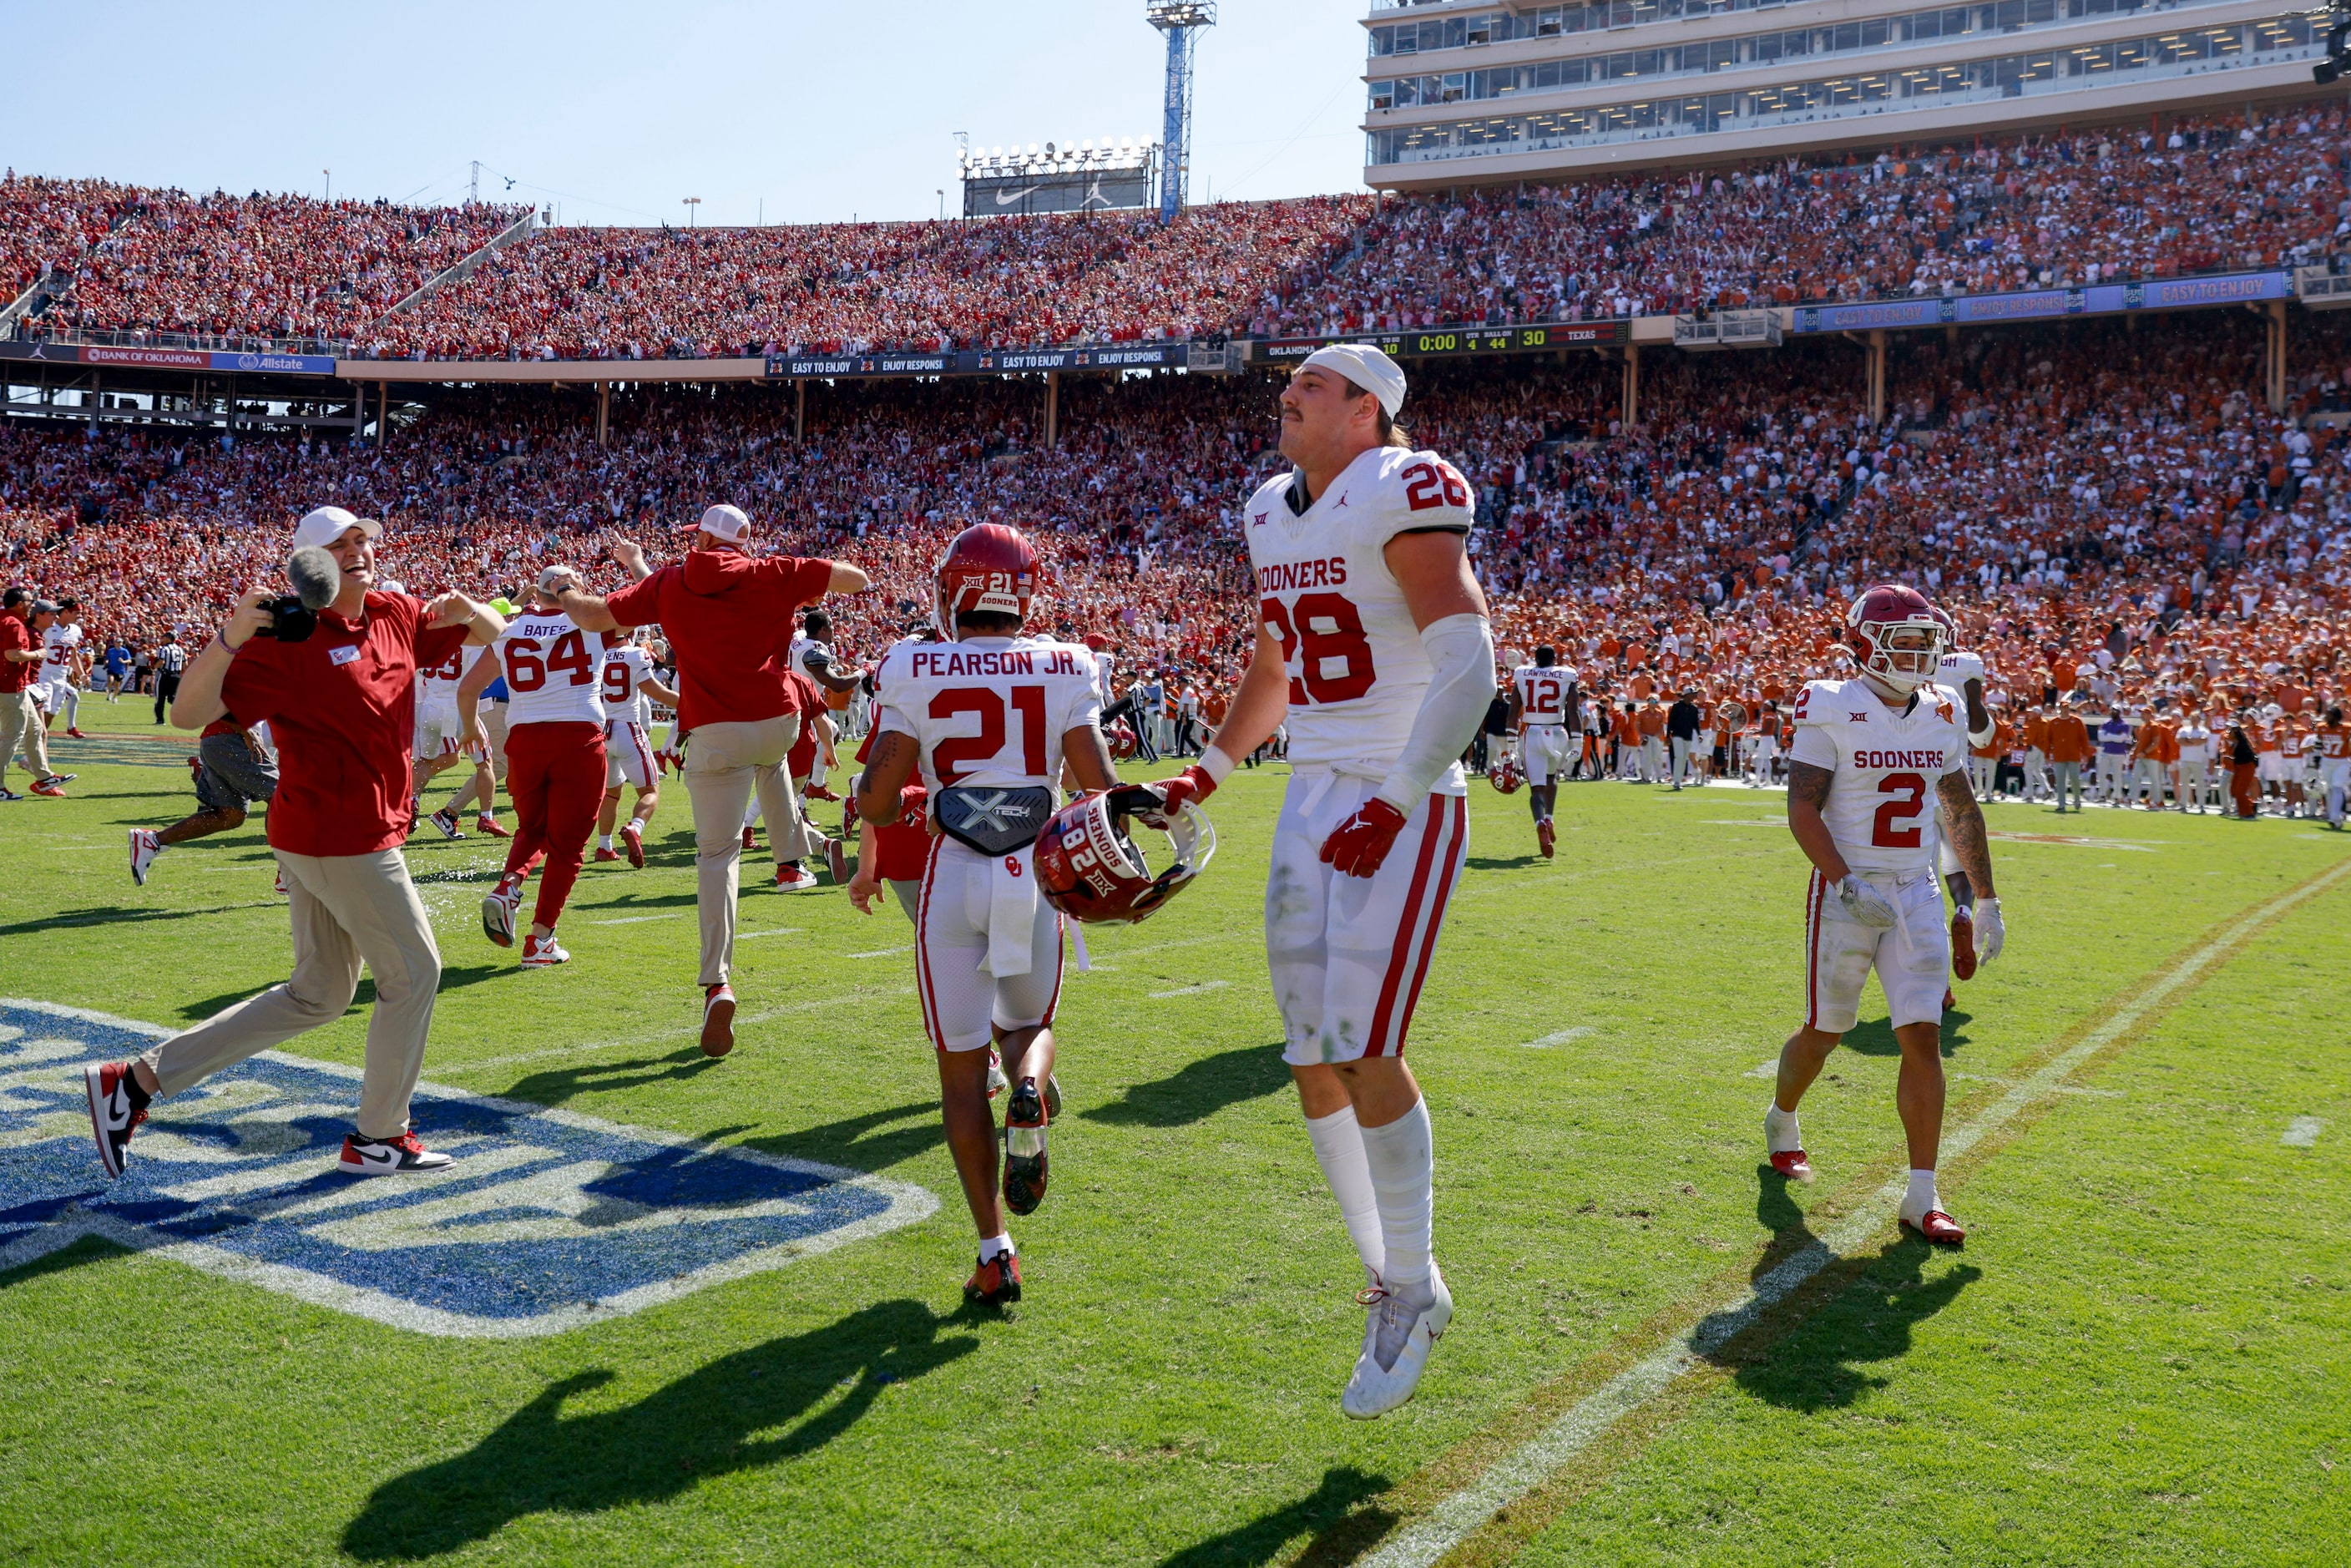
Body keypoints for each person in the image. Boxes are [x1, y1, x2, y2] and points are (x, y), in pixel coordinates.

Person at [1146, 343, 1494, 1419]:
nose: (1286, 394)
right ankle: (1400, 1283)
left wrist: (1393, 797)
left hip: (1403, 788)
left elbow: (1469, 662)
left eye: (1310, 383)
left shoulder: (1407, 484)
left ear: (1364, 411)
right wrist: (1206, 769)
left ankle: (1406, 1277)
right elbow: (1274, 666)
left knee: (1362, 1043)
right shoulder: (1267, 508)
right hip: (1309, 790)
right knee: (1307, 1055)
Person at [81, 505, 505, 1182]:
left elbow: (500, 634)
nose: (358, 549)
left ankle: (133, 1082)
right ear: (311, 565)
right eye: (340, 544)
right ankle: (379, 1137)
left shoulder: (394, 613)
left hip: (334, 833)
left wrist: (468, 606)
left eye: (364, 538)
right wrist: (227, 636)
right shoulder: (289, 636)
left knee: (318, 994)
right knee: (415, 974)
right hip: (343, 837)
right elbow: (190, 716)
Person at [854, 524, 1115, 1308]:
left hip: (954, 873)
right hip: (1032, 869)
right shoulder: (1066, 662)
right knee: (1029, 1025)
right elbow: (1098, 784)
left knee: (963, 1071)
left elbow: (872, 797)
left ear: (956, 590)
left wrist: (916, 798)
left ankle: (994, 1251)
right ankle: (1032, 1089)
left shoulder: (910, 662)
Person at [552, 504, 868, 1057]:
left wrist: (561, 591)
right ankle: (796, 853)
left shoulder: (671, 583)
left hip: (714, 729)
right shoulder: (771, 572)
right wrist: (797, 575)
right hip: (776, 722)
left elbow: (592, 614)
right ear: (743, 543)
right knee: (770, 763)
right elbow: (857, 579)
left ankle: (717, 981)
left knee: (717, 858)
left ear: (699, 537)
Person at [1764, 584, 2004, 1248]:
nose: (1920, 656)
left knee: (1922, 1034)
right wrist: (1841, 881)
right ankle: (1783, 1119)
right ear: (1865, 646)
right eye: (1904, 643)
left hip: (1917, 891)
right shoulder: (1831, 702)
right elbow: (1802, 808)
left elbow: (1958, 807)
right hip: (1847, 889)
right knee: (1827, 1028)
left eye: (1928, 643)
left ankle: (1922, 1195)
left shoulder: (1943, 708)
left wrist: (1985, 897)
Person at [463, 567, 609, 968]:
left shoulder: (509, 631)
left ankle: (509, 886)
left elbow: (467, 688)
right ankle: (540, 939)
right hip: (577, 736)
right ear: (571, 590)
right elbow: (645, 605)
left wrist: (468, 729)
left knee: (533, 829)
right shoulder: (593, 620)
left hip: (524, 740)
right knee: (568, 846)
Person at [129, 710, 278, 885]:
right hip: (234, 739)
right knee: (284, 798)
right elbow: (219, 698)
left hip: (220, 741)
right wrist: (246, 731)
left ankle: (153, 841)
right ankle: (287, 869)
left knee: (230, 816)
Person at [594, 630, 676, 866]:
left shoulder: (595, 654)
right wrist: (693, 703)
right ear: (629, 633)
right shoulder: (635, 655)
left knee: (611, 793)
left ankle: (604, 846)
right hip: (627, 729)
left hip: (601, 732)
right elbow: (657, 692)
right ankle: (635, 828)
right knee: (650, 791)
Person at [0, 589, 71, 800]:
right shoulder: (13, 622)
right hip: (9, 685)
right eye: (30, 601)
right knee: (14, 735)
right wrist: (37, 654)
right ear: (20, 603)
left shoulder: (7, 619)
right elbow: (12, 655)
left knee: (36, 729)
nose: (32, 605)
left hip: (14, 685)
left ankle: (44, 777)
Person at [1508, 645, 1572, 856]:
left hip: (1533, 732)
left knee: (1536, 789)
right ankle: (1549, 818)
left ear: (1535, 659)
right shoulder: (1566, 675)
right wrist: (1579, 743)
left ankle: (1539, 823)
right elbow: (1573, 711)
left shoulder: (1523, 674)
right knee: (1552, 778)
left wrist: (1510, 747)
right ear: (1555, 658)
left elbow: (1513, 711)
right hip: (1556, 732)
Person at [38, 595, 88, 737]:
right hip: (44, 674)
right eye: (76, 613)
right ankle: (32, 743)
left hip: (61, 677)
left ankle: (38, 744)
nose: (79, 616)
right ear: (66, 611)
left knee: (52, 713)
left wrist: (81, 673)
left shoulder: (75, 630)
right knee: (44, 710)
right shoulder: (48, 628)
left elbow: (73, 655)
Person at [2043, 699, 2091, 812]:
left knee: (2075, 779)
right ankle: (2061, 804)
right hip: (2059, 755)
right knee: (2060, 780)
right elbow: (2047, 740)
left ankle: (2077, 799)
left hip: (2073, 755)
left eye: (2067, 708)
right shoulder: (2053, 722)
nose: (2065, 710)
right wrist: (2046, 755)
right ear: (2060, 709)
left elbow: (2084, 739)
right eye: (2063, 708)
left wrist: (2085, 754)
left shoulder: (2077, 721)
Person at [2316, 706, 2348, 830]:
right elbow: (2318, 744)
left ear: (2336, 716)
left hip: (2342, 762)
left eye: (2329, 715)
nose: (2326, 717)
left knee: (2337, 788)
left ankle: (2335, 815)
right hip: (2326, 761)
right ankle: (2335, 817)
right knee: (2329, 789)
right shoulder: (2321, 728)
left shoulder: (2347, 729)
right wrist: (2316, 759)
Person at [1666, 688, 1702, 790]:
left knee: (1684, 759)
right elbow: (1671, 721)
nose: (1694, 697)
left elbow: (1696, 723)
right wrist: (1668, 736)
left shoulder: (1694, 708)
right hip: (1677, 735)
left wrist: (1699, 734)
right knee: (1679, 757)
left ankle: (1679, 779)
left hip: (1688, 736)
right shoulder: (1677, 706)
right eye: (1692, 694)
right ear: (1687, 695)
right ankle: (1677, 781)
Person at [151, 632, 188, 725]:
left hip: (165, 675)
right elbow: (185, 664)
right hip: (176, 676)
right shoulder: (180, 649)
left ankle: (160, 720)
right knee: (172, 698)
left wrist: (153, 667)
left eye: (164, 637)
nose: (162, 639)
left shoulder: (164, 649)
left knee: (160, 698)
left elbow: (162, 661)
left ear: (168, 638)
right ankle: (185, 711)